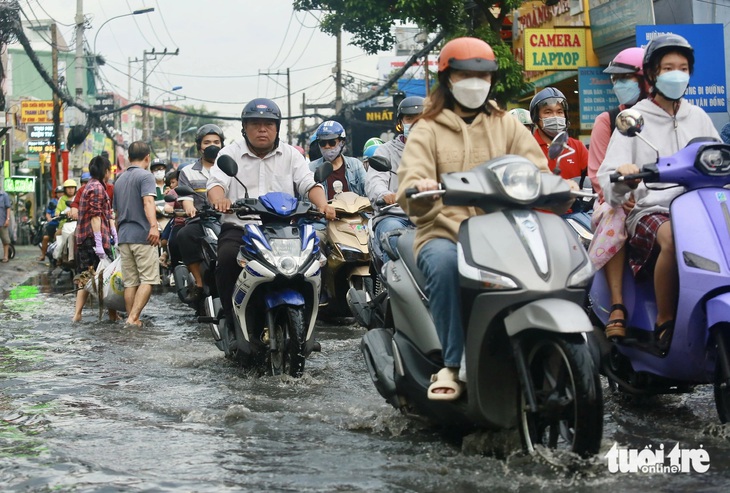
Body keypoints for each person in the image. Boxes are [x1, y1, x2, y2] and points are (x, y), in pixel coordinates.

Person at [396, 37, 565, 401]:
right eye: (464, 74)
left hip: (505, 232)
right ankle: (453, 364)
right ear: (447, 79)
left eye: (482, 75)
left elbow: (537, 169)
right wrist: (421, 187)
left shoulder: (507, 124)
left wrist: (558, 186)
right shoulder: (426, 128)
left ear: (491, 79)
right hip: (445, 231)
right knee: (442, 265)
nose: (474, 82)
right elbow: (409, 186)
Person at [598, 33, 720, 352]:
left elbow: (719, 159)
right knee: (676, 238)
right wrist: (625, 177)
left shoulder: (699, 117)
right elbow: (607, 176)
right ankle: (666, 321)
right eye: (668, 68)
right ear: (652, 73)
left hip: (701, 208)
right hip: (651, 210)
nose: (676, 74)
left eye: (682, 67)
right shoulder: (634, 119)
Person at [207, 97, 335, 333]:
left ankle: (309, 321)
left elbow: (309, 183)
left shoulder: (291, 155)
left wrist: (323, 205)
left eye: (268, 124)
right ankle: (232, 322)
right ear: (245, 127)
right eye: (255, 123)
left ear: (277, 128)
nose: (262, 129)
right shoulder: (230, 153)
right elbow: (216, 184)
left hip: (284, 230)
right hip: (242, 228)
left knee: (319, 258)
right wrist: (220, 200)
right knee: (226, 260)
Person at [587, 47, 649, 340]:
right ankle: (616, 304)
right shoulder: (608, 120)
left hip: (660, 197)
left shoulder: (670, 115)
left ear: (644, 78)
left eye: (625, 78)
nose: (618, 85)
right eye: (615, 79)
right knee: (614, 216)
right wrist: (624, 195)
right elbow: (599, 176)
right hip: (615, 200)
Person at [366, 96, 424, 262]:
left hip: (430, 216)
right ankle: (394, 285)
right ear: (400, 123)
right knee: (394, 239)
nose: (415, 124)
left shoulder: (438, 150)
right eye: (409, 118)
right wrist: (384, 194)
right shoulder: (385, 152)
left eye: (421, 119)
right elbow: (374, 181)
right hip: (394, 216)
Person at [113, 141, 161, 327]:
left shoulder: (119, 179)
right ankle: (133, 318)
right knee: (148, 279)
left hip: (124, 236)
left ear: (129, 158)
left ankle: (131, 318)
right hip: (143, 236)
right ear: (147, 158)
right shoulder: (145, 176)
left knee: (131, 282)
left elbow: (116, 214)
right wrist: (153, 226)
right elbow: (148, 202)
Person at [175, 123, 225, 303]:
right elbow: (186, 198)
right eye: (207, 142)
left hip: (227, 218)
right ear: (199, 146)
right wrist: (189, 208)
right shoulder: (188, 172)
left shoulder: (231, 168)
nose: (212, 145)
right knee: (183, 235)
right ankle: (198, 282)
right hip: (201, 220)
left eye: (216, 142)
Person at [73, 156, 117, 322]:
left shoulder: (93, 186)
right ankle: (111, 315)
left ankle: (78, 314)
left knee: (89, 276)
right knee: (104, 277)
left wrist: (113, 233)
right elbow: (95, 216)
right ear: (104, 171)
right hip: (92, 239)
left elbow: (104, 214)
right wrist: (99, 244)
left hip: (88, 238)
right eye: (109, 170)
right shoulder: (97, 188)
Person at [529, 87, 589, 179]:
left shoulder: (577, 147)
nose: (555, 116)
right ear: (536, 117)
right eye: (548, 112)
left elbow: (593, 179)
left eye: (559, 112)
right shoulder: (527, 147)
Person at [308, 121, 367, 198]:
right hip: (323, 210)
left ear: (342, 143)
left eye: (332, 143)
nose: (327, 146)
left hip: (353, 210)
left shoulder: (356, 165)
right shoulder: (311, 168)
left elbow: (368, 188)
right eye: (322, 143)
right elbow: (306, 198)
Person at [37, 186, 62, 261]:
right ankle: (43, 254)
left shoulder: (65, 201)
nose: (60, 194)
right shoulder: (52, 202)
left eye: (62, 192)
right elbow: (48, 213)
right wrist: (49, 218)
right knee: (45, 238)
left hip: (62, 224)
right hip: (53, 224)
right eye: (59, 193)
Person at [0, 188, 11, 263]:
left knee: (5, 240)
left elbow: (8, 208)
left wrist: (7, 219)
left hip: (2, 221)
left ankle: (6, 256)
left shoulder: (4, 195)